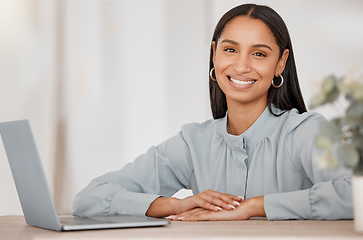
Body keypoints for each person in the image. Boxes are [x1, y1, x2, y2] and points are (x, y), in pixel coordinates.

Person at [72, 3, 353, 221]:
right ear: (215, 53)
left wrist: (254, 207)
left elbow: (354, 194)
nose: (241, 66)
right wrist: (175, 204)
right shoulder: (194, 142)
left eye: (259, 54)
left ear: (281, 63)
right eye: (231, 50)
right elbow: (90, 198)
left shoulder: (305, 132)